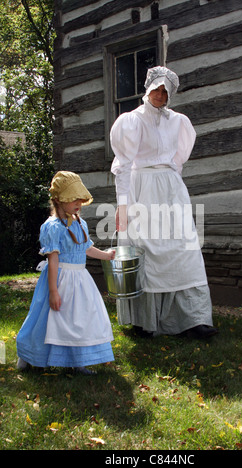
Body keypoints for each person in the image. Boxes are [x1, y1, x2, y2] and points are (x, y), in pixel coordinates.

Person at [110, 66, 218, 339]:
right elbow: (123, 167)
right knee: (144, 248)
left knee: (184, 249)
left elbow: (178, 161)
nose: (160, 95)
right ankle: (144, 321)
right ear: (148, 89)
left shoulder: (179, 122)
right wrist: (123, 206)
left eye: (165, 91)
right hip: (142, 188)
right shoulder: (132, 121)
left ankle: (194, 319)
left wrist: (171, 186)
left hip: (170, 190)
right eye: (156, 89)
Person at [16, 171, 116, 375]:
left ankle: (77, 361)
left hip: (80, 281)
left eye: (80, 198)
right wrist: (53, 290)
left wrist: (105, 255)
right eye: (73, 199)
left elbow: (85, 248)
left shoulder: (80, 223)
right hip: (59, 280)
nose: (78, 203)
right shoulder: (52, 227)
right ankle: (29, 354)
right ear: (59, 201)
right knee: (45, 319)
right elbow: (53, 260)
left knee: (79, 320)